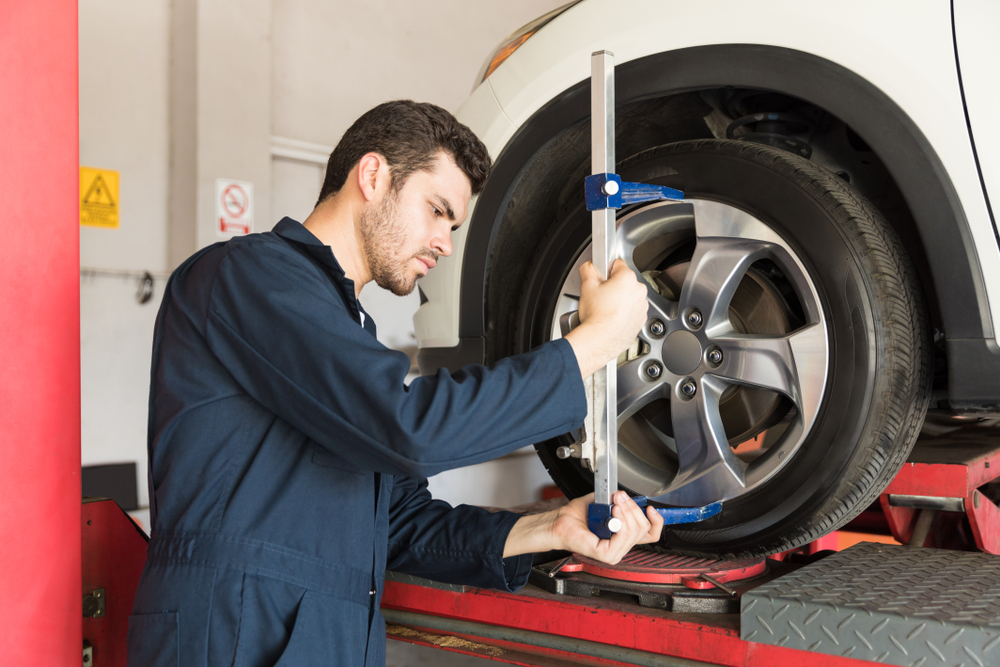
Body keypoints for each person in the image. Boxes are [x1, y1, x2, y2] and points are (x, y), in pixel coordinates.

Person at [127, 100, 661, 667]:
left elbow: (400, 525)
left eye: (453, 226)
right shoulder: (248, 275)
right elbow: (411, 429)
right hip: (233, 635)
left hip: (315, 638)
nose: (445, 243)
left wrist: (550, 526)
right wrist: (597, 341)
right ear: (373, 175)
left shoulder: (347, 329)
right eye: (437, 210)